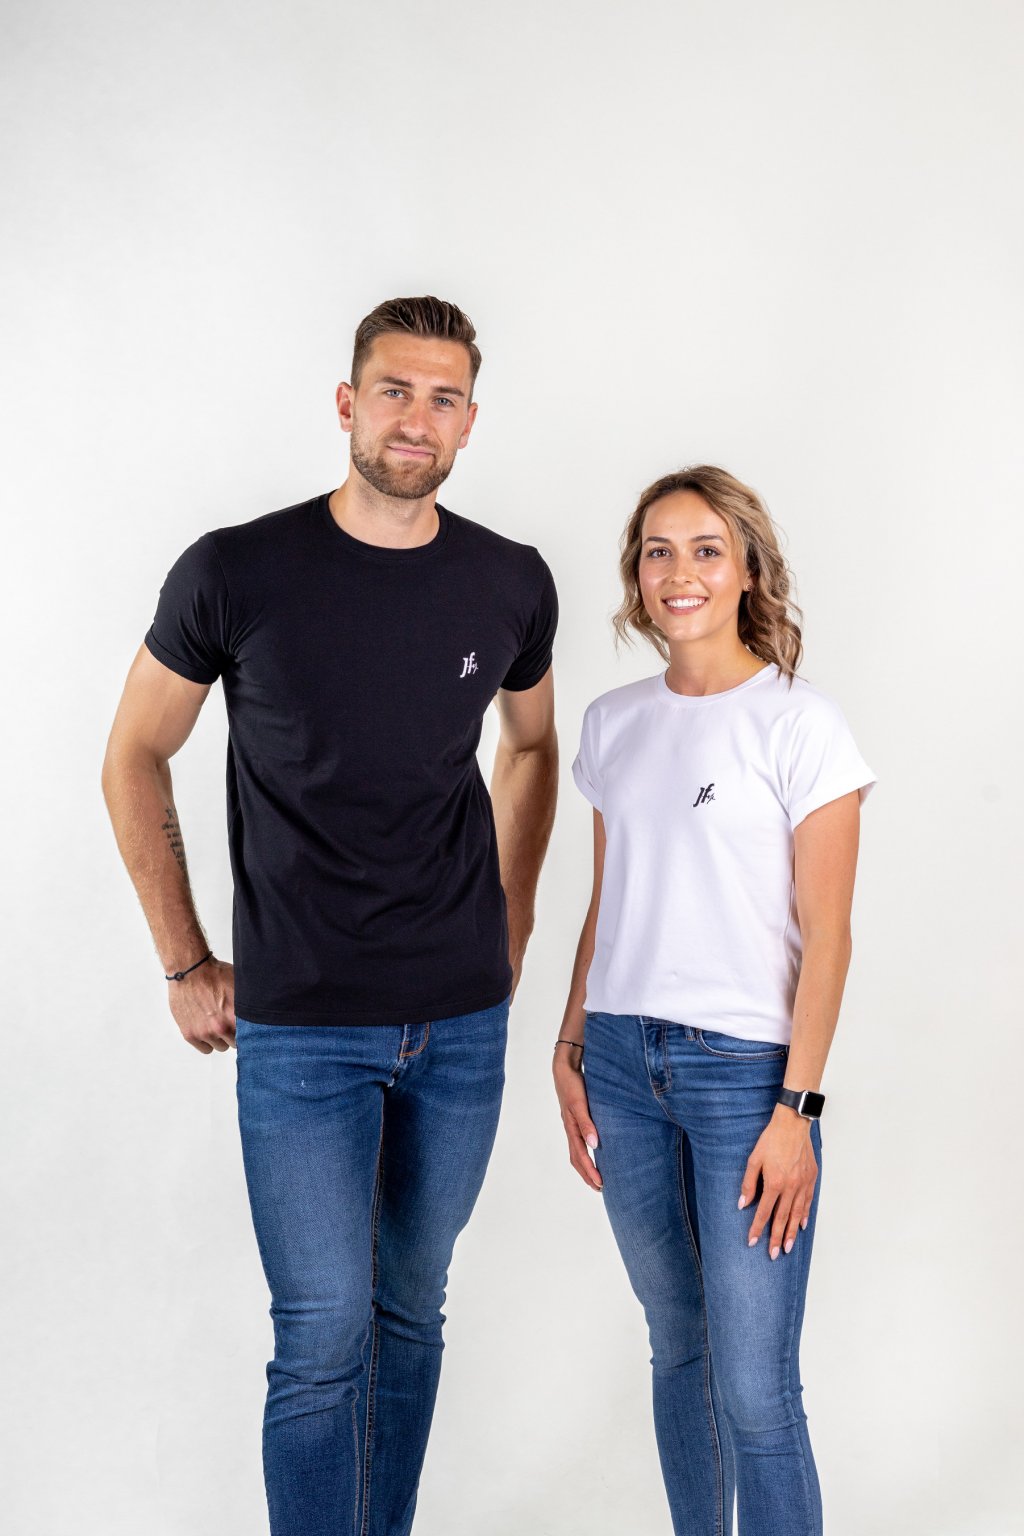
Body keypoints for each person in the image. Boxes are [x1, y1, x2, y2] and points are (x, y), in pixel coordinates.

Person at [102, 296, 559, 1536]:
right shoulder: (236, 571)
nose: (418, 418)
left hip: (460, 1025)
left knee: (411, 1315)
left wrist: (510, 928)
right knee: (320, 1335)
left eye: (444, 398)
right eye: (395, 391)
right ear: (348, 403)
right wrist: (185, 960)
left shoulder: (509, 580)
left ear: (471, 421)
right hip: (302, 1028)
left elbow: (530, 747)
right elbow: (134, 753)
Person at [553, 465, 874, 1536]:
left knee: (754, 1387)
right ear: (636, 576)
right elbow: (610, 899)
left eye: (704, 550)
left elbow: (828, 938)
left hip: (746, 1080)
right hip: (619, 1063)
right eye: (658, 551)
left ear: (745, 571)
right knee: (678, 1351)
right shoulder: (611, 723)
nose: (678, 572)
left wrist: (798, 1111)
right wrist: (568, 1041)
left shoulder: (800, 725)